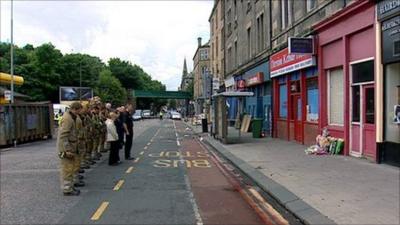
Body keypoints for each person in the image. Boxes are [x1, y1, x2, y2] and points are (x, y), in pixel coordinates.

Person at [57, 102, 82, 196]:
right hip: (66, 149)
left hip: (71, 147)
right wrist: (67, 150)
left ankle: (70, 186)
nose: (80, 112)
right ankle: (67, 189)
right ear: (76, 109)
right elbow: (63, 136)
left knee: (71, 167)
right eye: (80, 110)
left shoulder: (71, 117)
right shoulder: (68, 119)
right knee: (67, 169)